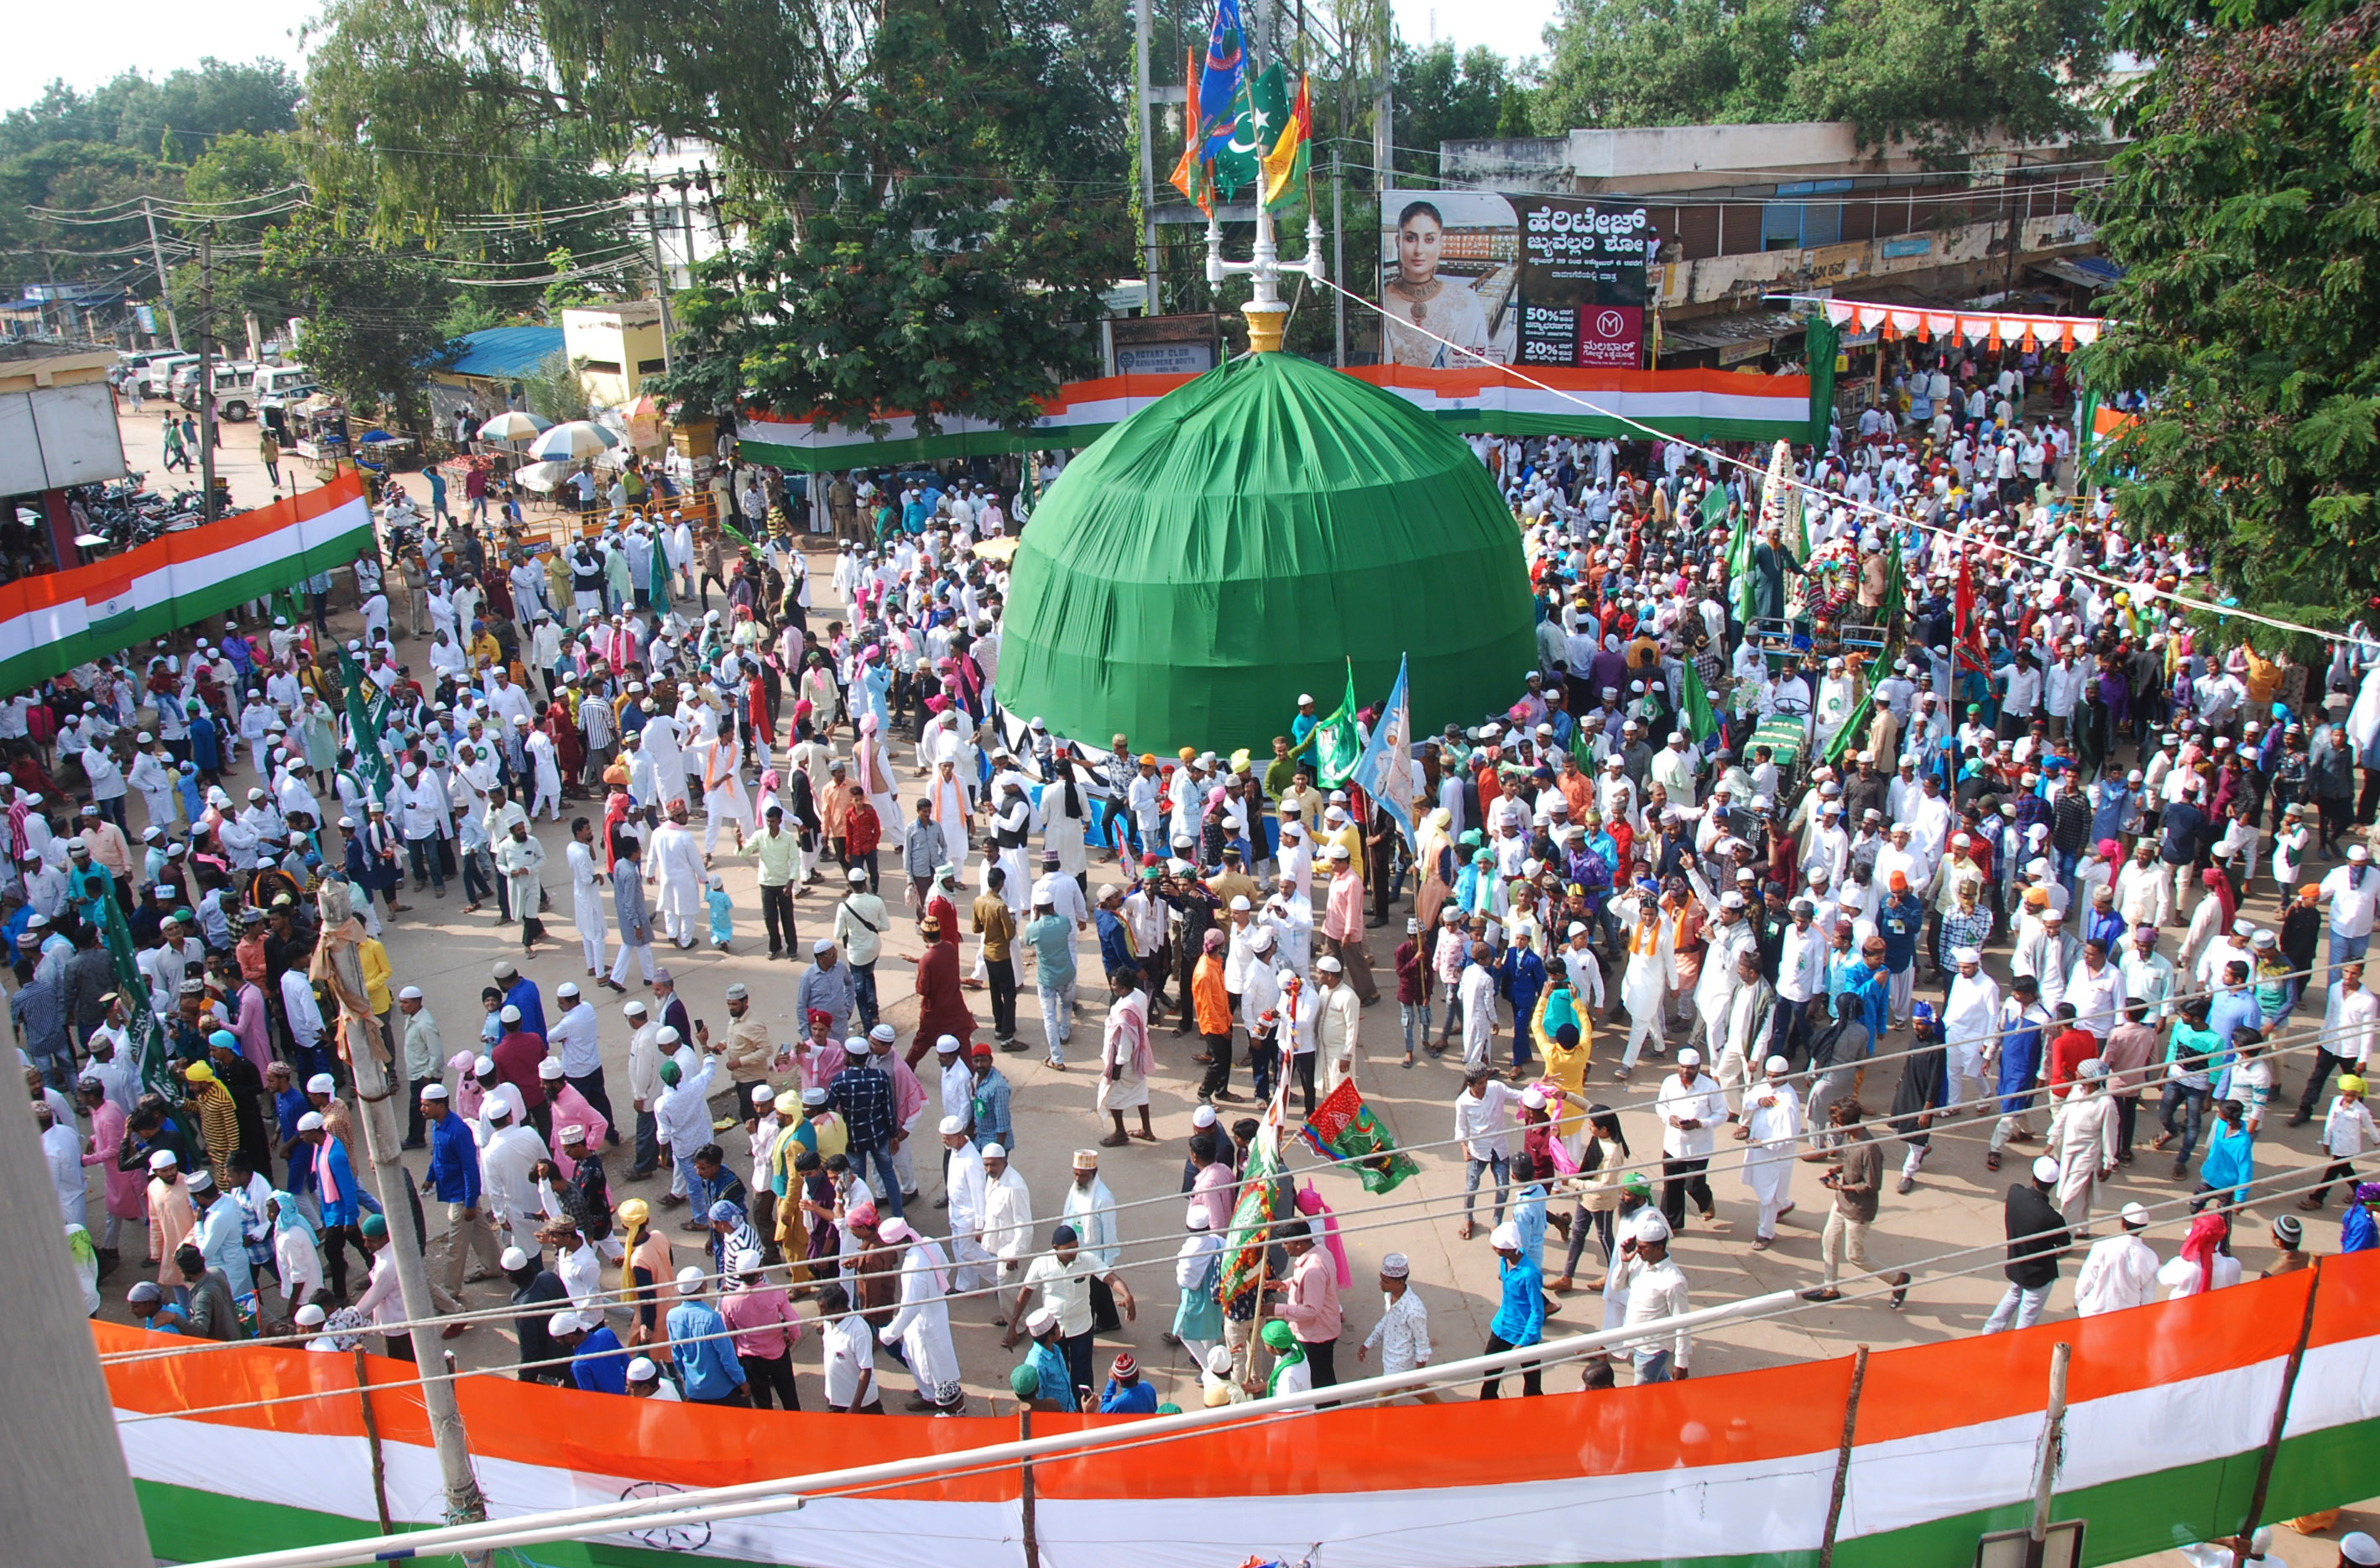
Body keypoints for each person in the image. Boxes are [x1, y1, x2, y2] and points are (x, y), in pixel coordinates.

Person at [1982, 1157, 2069, 1334]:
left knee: (2013, 1295)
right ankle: (2019, 1346)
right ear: (2054, 1183)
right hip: (2038, 1276)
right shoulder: (2052, 1218)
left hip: (2017, 1264)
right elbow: (2064, 1242)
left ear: (2033, 1177)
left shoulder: (2015, 1192)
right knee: (2027, 1317)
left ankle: (1990, 1332)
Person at [1268, 1215, 1341, 1393]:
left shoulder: (1313, 1270)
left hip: (1316, 1335)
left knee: (1320, 1382)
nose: (1283, 1248)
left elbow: (1311, 1311)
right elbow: (1305, 1284)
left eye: (1286, 1244)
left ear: (1299, 1243)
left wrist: (1276, 1310)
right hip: (1318, 1331)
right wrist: (1284, 1284)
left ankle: (1329, 1414)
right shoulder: (1319, 1254)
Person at [1354, 1251, 1439, 1401]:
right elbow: (1386, 1322)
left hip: (1401, 1366)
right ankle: (1443, 1412)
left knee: (1381, 1402)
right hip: (1390, 1360)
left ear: (1400, 1282)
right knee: (1414, 1390)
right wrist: (1368, 1344)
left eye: (1385, 1282)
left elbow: (1422, 1344)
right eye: (1381, 1280)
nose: (1380, 1284)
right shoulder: (1389, 1296)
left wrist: (1418, 1376)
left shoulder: (1414, 1310)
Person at [1656, 1048, 1724, 1231]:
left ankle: (1706, 1201)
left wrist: (1700, 1123)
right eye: (1683, 1068)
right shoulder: (1669, 1083)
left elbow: (1721, 1114)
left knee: (1693, 1185)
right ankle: (1671, 1224)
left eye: (1691, 1069)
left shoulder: (1710, 1087)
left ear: (1698, 1068)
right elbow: (1661, 1106)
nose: (1686, 1072)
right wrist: (1669, 1117)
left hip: (1699, 1147)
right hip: (1673, 1145)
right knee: (1672, 1186)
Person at [1620, 1210, 1691, 1382]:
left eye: (1643, 1247)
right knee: (1660, 1387)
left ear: (1659, 1248)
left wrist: (1681, 1363)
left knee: (1641, 1400)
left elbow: (1683, 1324)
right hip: (1637, 1343)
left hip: (1653, 1351)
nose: (1638, 1251)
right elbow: (1617, 1285)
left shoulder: (1673, 1281)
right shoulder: (1638, 1261)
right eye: (1637, 1245)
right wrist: (1624, 1262)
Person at [665, 1265, 750, 1405]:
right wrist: (742, 1381)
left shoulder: (672, 1316)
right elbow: (727, 1357)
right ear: (701, 1288)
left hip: (694, 1390)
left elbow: (677, 1356)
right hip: (722, 1390)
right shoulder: (712, 1319)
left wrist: (688, 1376)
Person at [1480, 1222, 1543, 1398]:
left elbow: (1537, 1312)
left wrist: (1524, 1342)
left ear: (1509, 1250)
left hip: (1523, 1334)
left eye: (1497, 1247)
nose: (1494, 1248)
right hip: (1501, 1327)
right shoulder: (1504, 1261)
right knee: (1490, 1378)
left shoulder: (1530, 1275)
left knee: (1532, 1386)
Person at [2074, 1201, 2160, 1316]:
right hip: (2126, 1318)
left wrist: (2078, 1299)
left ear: (2122, 1223)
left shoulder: (2102, 1246)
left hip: (2094, 1312)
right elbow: (2148, 1294)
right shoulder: (2150, 1257)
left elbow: (2087, 1277)